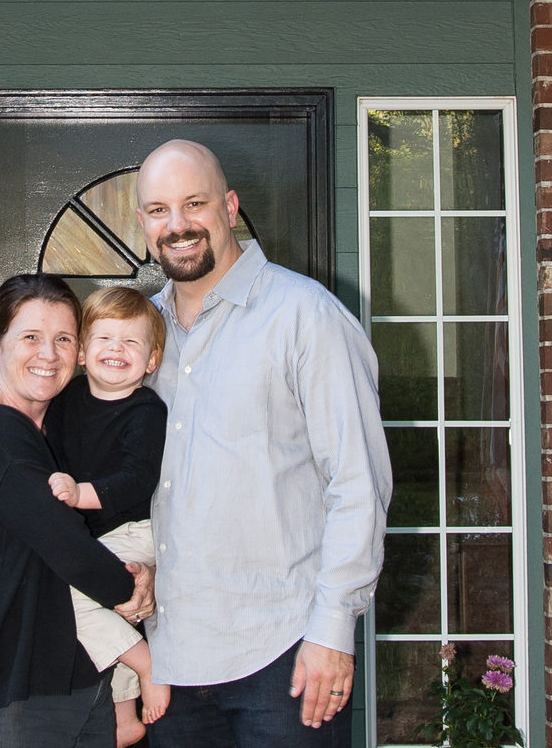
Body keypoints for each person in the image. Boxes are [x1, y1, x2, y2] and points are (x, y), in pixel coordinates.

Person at [136, 139, 393, 747]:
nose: (177, 226)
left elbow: (358, 483)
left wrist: (332, 630)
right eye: (158, 210)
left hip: (283, 657)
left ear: (229, 207)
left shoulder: (306, 315)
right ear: (143, 222)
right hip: (169, 658)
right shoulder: (136, 335)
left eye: (194, 203)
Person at [0, 273, 156, 748]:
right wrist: (129, 587)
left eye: (63, 339)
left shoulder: (51, 426)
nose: (48, 353)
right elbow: (64, 541)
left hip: (78, 680)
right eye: (30, 337)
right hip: (6, 696)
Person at [44, 286, 171, 747]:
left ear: (151, 360)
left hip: (137, 530)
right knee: (103, 613)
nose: (116, 349)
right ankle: (124, 714)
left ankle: (148, 664)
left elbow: (137, 479)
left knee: (64, 593)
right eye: (104, 339)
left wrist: (80, 494)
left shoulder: (146, 411)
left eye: (131, 342)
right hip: (98, 532)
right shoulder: (67, 399)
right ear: (81, 351)